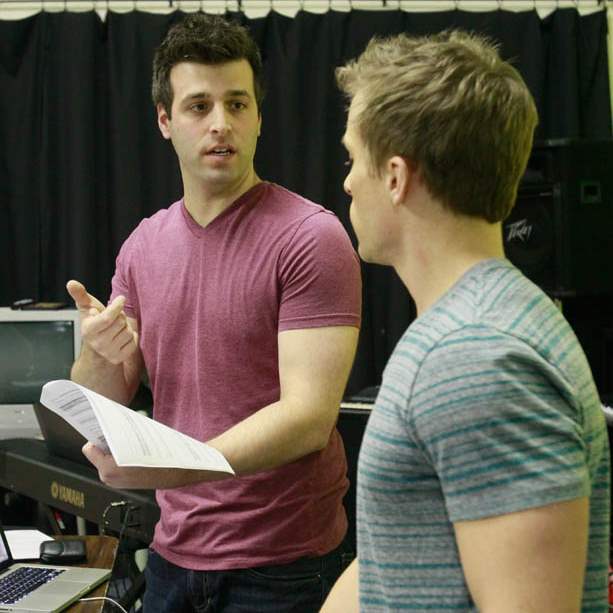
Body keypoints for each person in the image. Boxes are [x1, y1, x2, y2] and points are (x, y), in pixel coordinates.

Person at [66, 13, 361, 612]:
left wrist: (175, 470)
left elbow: (307, 418)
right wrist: (98, 354)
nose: (220, 123)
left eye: (237, 104)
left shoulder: (311, 237)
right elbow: (107, 397)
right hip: (173, 555)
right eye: (199, 106)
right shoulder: (142, 247)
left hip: (283, 566)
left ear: (258, 117)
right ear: (164, 121)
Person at [322, 30, 610, 613]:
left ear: (396, 177)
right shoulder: (465, 328)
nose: (347, 181)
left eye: (353, 158)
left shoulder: (476, 358)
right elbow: (393, 554)